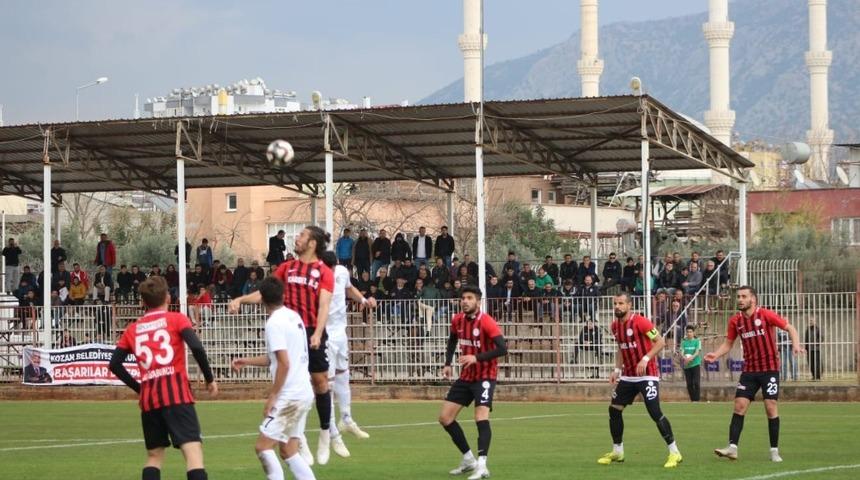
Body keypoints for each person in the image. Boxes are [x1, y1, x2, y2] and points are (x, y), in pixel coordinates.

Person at [230, 226, 336, 465]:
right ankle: (299, 439)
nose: (296, 239)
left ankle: (325, 433)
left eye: (300, 236)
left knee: (320, 382)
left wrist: (318, 333)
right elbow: (264, 293)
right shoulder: (286, 268)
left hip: (310, 329)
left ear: (312, 243)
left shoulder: (323, 272)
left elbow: (324, 306)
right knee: (292, 381)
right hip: (290, 328)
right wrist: (240, 299)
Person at [109, 276, 218, 480]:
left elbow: (114, 364)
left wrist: (140, 389)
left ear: (143, 302)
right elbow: (196, 347)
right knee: (192, 452)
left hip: (150, 401)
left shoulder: (132, 329)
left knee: (154, 456)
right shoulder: (177, 319)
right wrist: (209, 378)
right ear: (168, 297)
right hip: (177, 396)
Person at [231, 277, 317, 480]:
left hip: (290, 396)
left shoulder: (274, 323)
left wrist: (273, 396)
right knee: (289, 451)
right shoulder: (293, 316)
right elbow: (276, 359)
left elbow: (284, 363)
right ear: (283, 295)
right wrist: (247, 361)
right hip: (303, 392)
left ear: (262, 299)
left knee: (262, 447)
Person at [705, 286, 803, 463]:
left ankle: (774, 451)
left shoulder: (766, 315)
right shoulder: (736, 321)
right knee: (739, 405)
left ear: (753, 299)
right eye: (738, 297)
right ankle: (732, 448)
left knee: (770, 406)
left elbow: (790, 328)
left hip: (769, 369)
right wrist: (716, 355)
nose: (740, 299)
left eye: (744, 296)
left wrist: (795, 345)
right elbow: (728, 343)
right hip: (749, 370)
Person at [598, 292, 682, 469]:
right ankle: (618, 451)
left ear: (629, 305)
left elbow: (660, 342)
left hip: (647, 374)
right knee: (614, 410)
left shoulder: (641, 321)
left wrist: (645, 359)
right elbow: (621, 348)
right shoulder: (615, 326)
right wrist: (616, 370)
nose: (617, 307)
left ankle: (675, 452)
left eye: (621, 303)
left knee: (654, 412)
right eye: (615, 303)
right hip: (628, 376)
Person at [439, 285, 507, 480]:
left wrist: (476, 358)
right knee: (445, 418)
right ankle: (469, 459)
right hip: (466, 376)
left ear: (478, 301)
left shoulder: (487, 322)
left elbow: (502, 348)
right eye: (463, 298)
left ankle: (483, 465)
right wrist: (447, 363)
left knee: (480, 417)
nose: (465, 301)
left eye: (469, 298)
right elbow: (452, 340)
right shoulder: (457, 320)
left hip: (485, 376)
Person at [320, 251, 377, 443]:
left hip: (340, 333)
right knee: (327, 382)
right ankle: (331, 427)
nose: (333, 271)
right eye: (330, 268)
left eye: (335, 267)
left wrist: (363, 300)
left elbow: (349, 288)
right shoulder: (315, 277)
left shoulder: (342, 272)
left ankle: (346, 418)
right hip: (323, 333)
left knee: (343, 375)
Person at [680, 325, 701, 402]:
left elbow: (697, 352)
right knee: (689, 384)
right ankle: (693, 400)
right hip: (687, 366)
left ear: (693, 332)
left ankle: (697, 400)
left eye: (690, 332)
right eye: (688, 332)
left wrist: (690, 358)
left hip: (695, 364)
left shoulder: (697, 341)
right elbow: (681, 352)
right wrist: (684, 358)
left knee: (696, 383)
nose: (689, 333)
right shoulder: (683, 342)